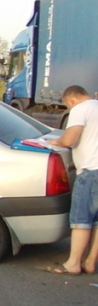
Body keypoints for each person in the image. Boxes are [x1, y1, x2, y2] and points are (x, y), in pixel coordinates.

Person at [46, 85, 98, 275]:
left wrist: (55, 141)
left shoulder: (80, 109)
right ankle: (91, 261)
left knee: (82, 219)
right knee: (97, 220)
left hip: (91, 171)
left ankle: (73, 263)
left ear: (71, 101)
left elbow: (69, 140)